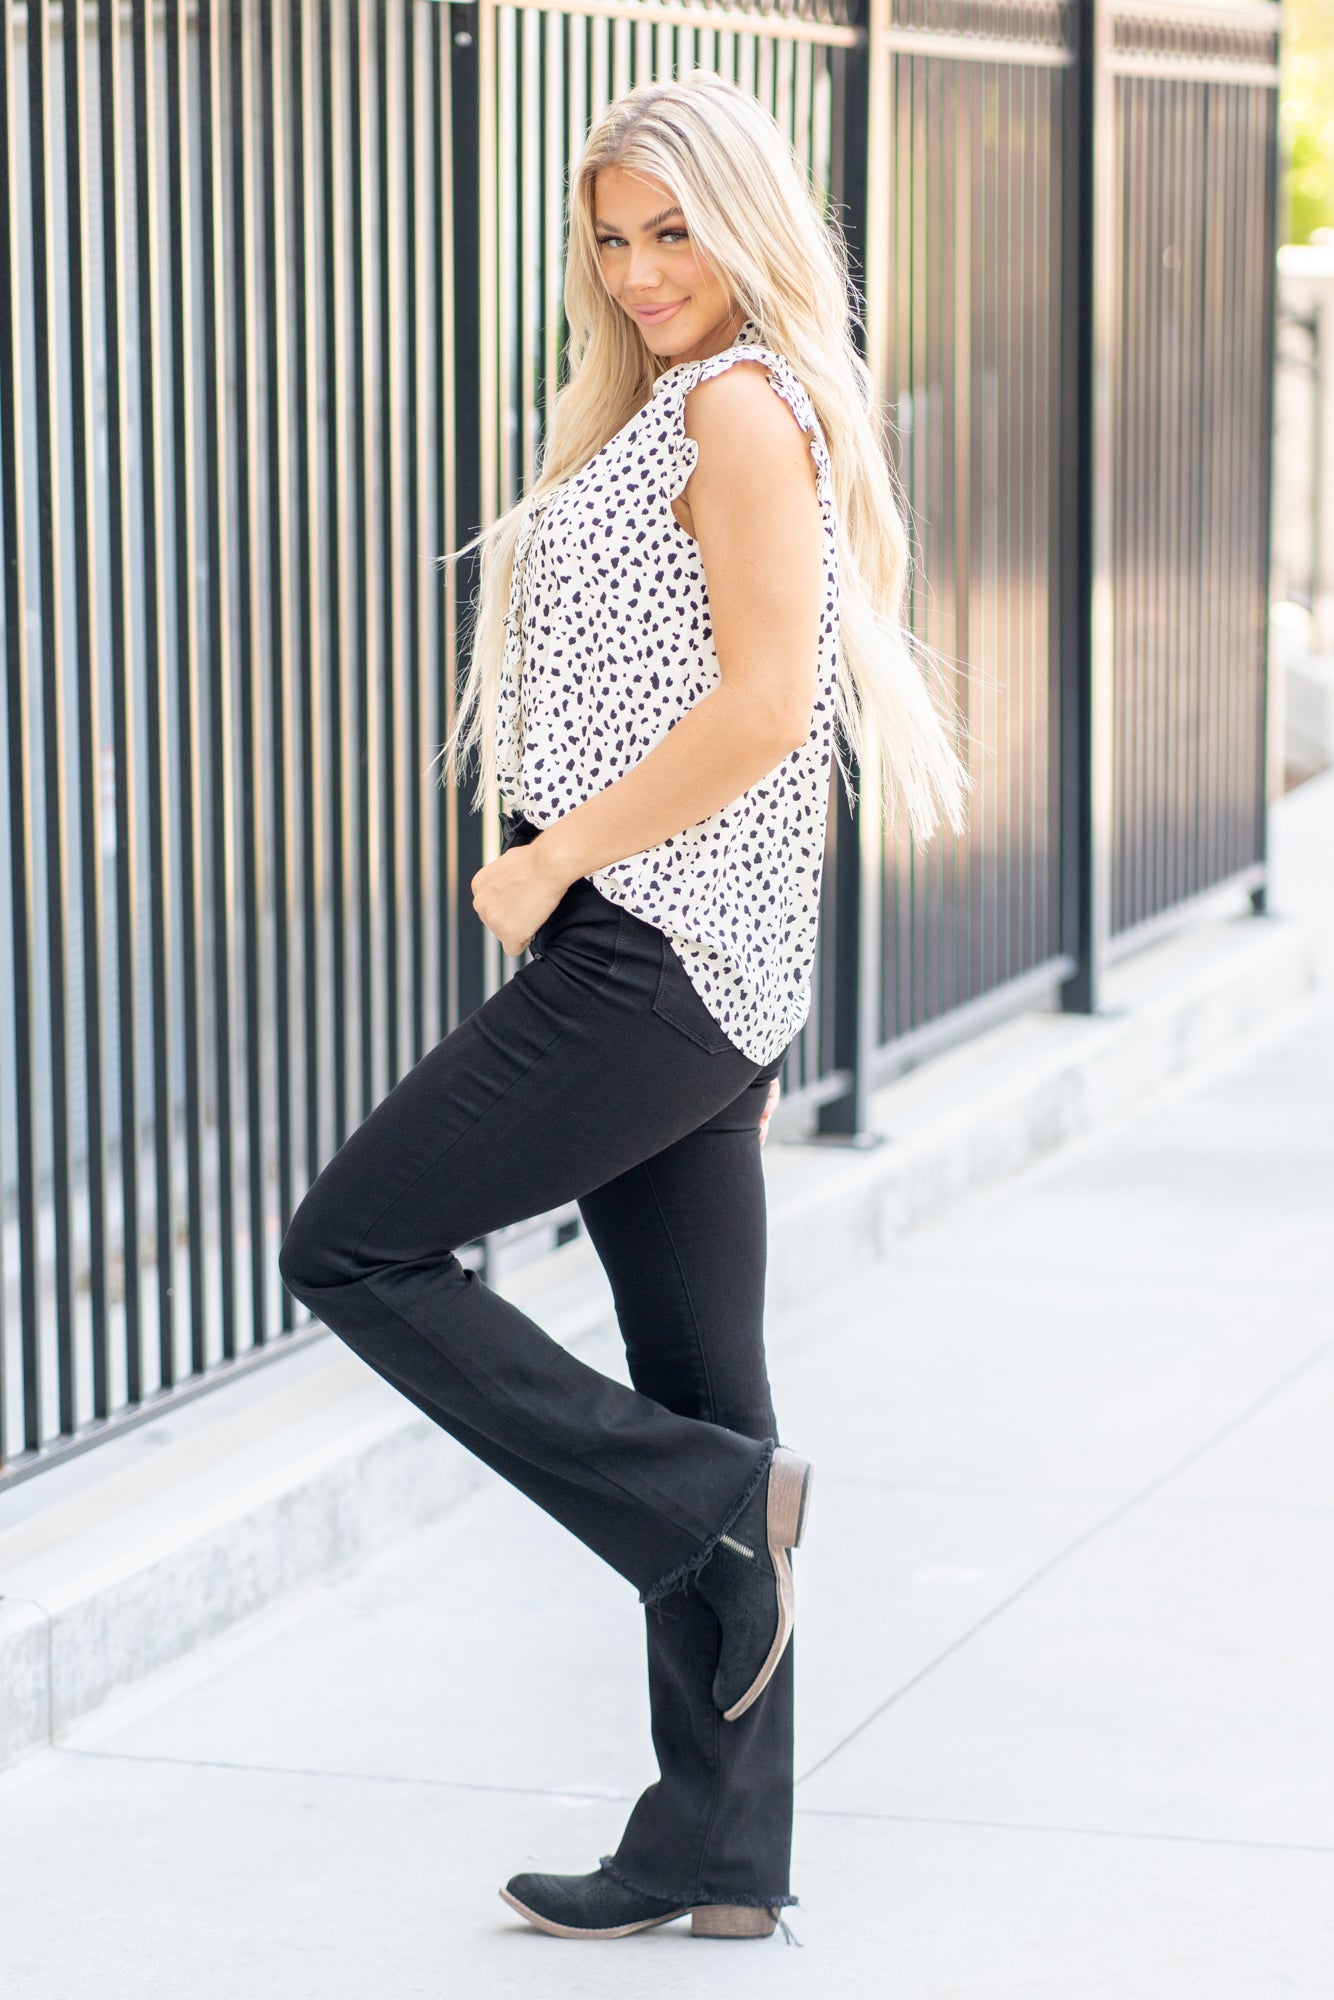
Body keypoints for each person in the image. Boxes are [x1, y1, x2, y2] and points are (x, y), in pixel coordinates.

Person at [278, 68, 968, 1944]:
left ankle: (705, 1508)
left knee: (351, 1246)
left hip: (645, 948)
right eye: (609, 237)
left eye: (672, 231)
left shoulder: (738, 406)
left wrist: (547, 860)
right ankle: (718, 1854)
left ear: (745, 225)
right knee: (709, 1390)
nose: (639, 268)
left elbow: (763, 705)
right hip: (693, 964)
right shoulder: (686, 402)